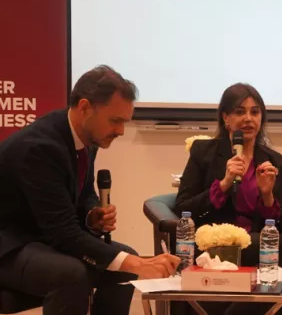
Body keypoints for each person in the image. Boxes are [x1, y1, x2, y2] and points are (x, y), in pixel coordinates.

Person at [0, 65, 180, 315]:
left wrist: (91, 213)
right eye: (115, 121)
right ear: (85, 107)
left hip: (41, 238)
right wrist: (139, 264)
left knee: (125, 261)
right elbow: (63, 233)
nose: (120, 131)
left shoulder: (87, 139)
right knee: (71, 274)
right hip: (10, 244)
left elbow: (84, 193)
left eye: (125, 122)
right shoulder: (40, 148)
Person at [175, 83, 282, 315]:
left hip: (259, 243)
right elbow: (183, 207)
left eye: (255, 112)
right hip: (216, 244)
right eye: (240, 112)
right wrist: (224, 184)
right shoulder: (203, 152)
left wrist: (267, 194)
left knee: (279, 249)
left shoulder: (273, 160)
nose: (248, 118)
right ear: (226, 118)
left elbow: (281, 219)